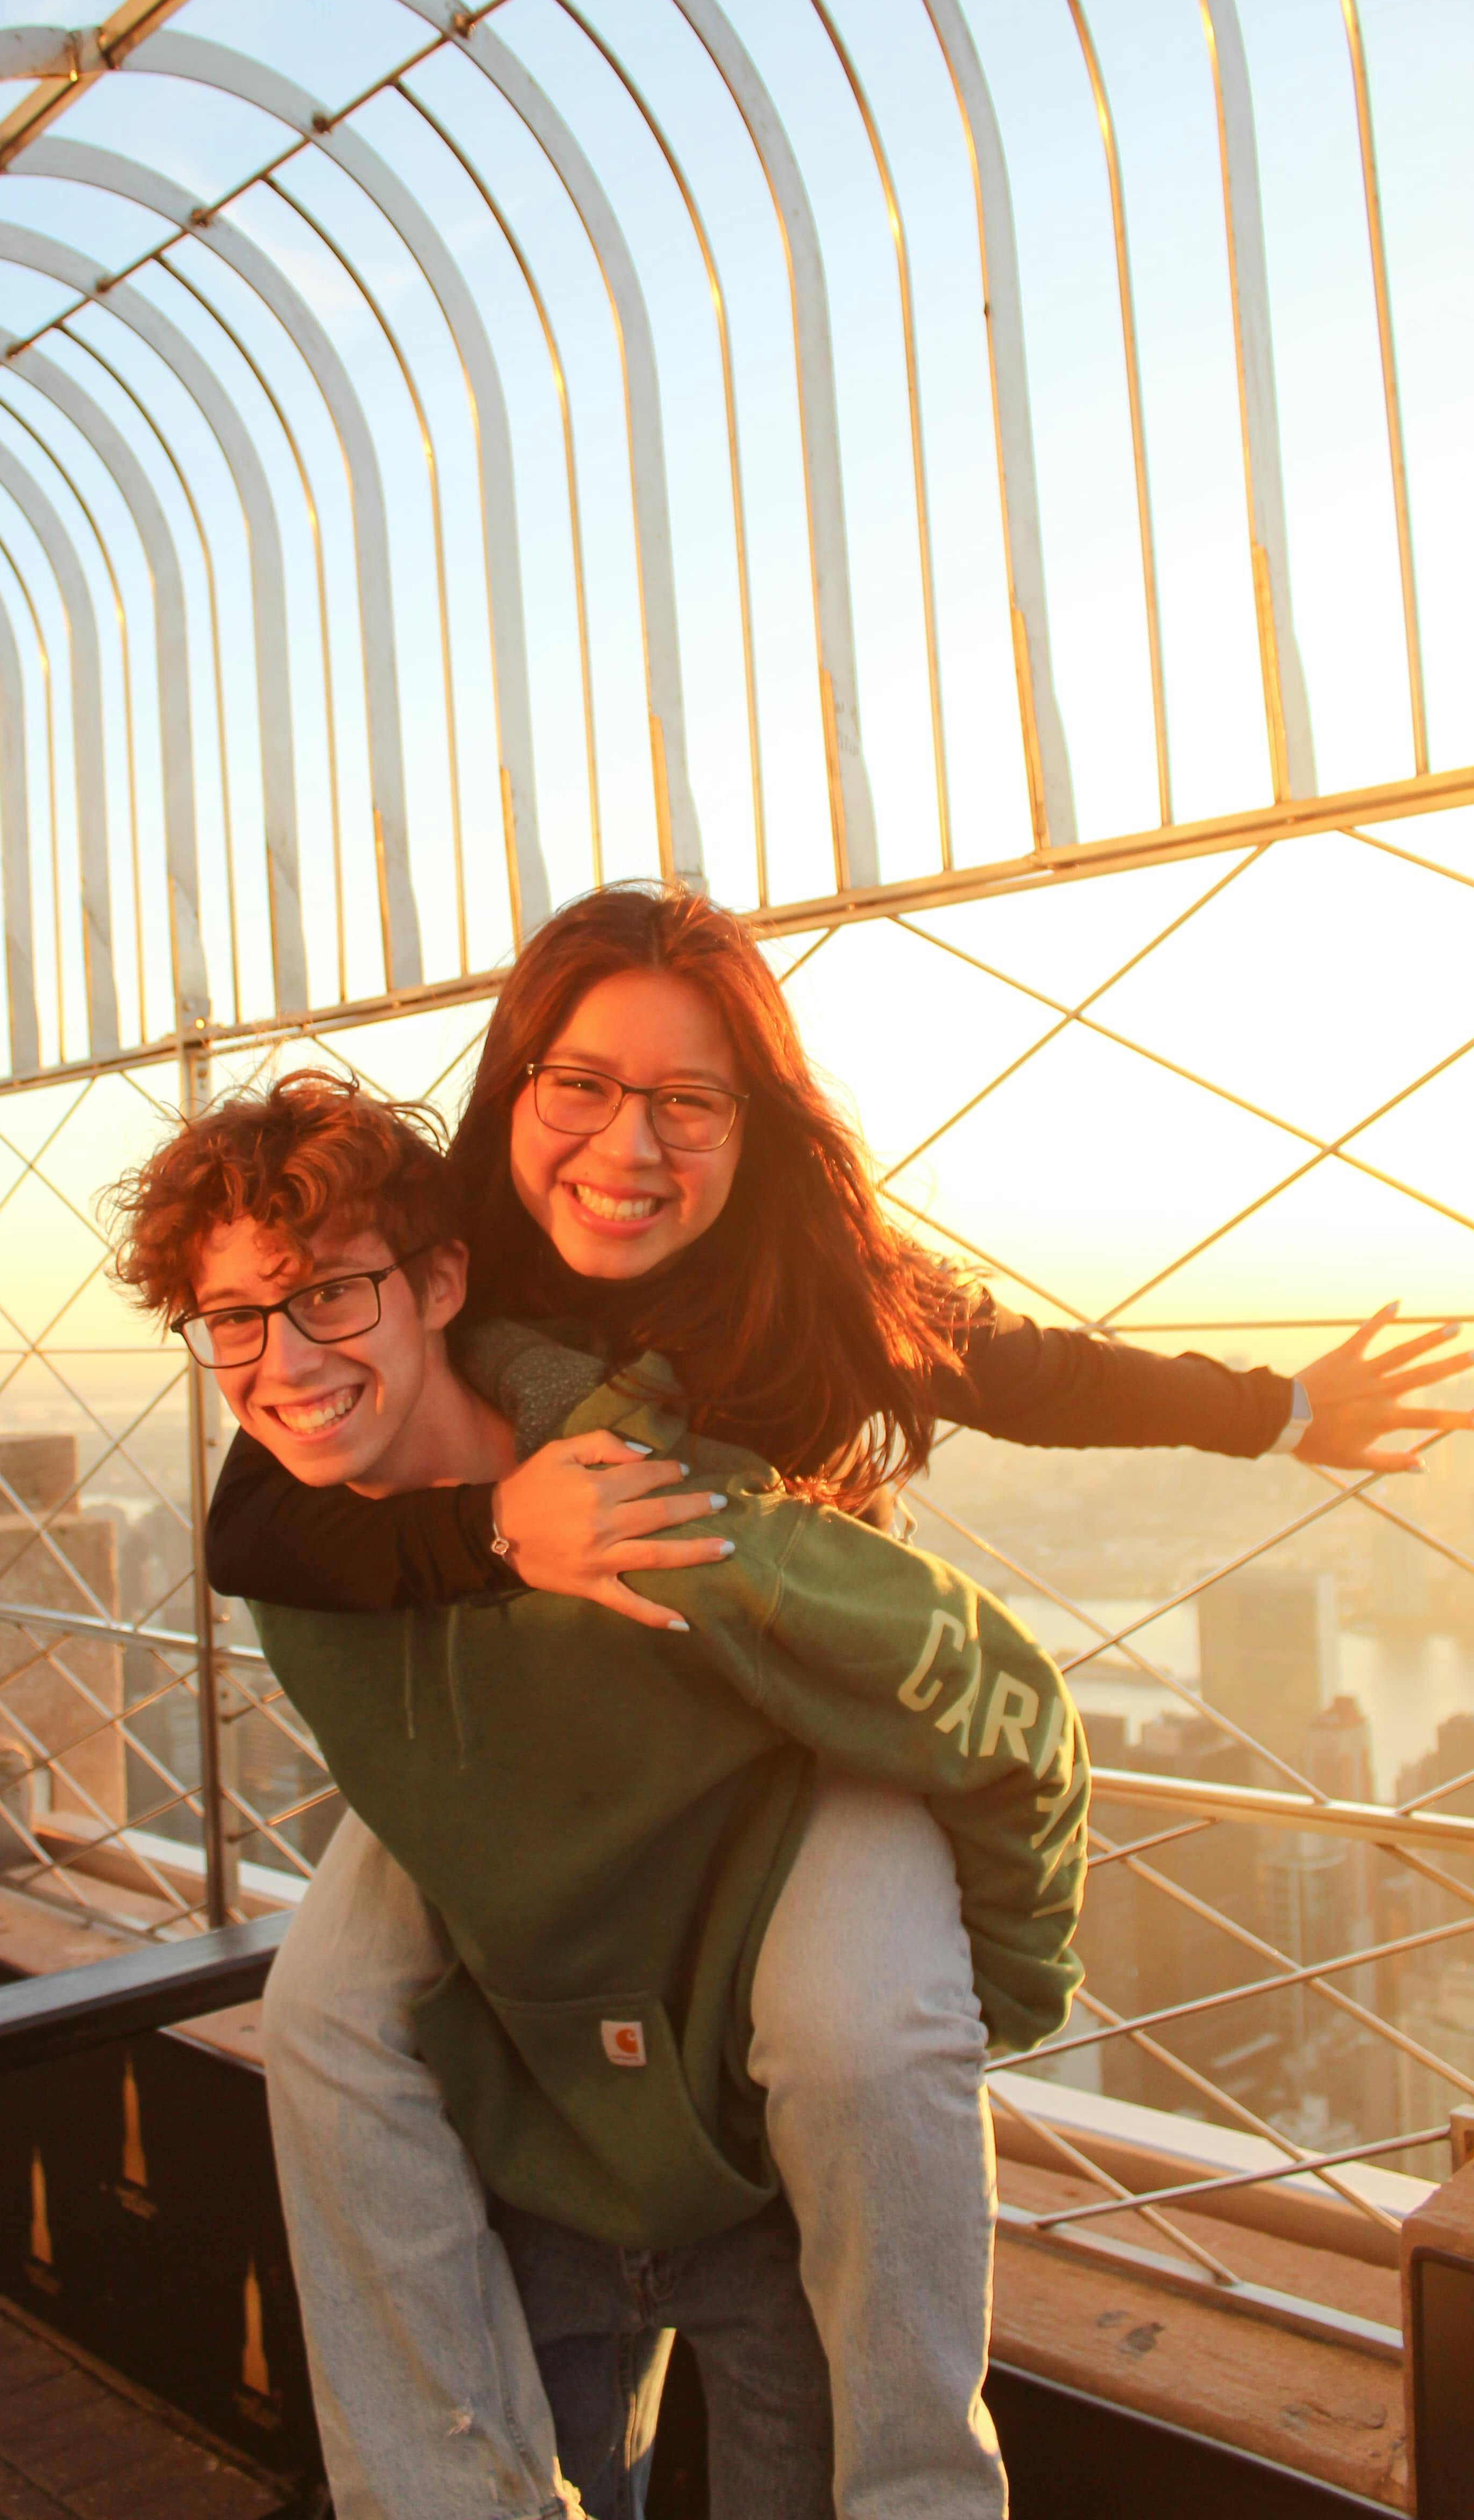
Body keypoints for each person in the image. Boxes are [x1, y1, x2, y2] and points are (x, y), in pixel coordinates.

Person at [145, 884, 1470, 2517]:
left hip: (786, 1715)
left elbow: (1023, 1371)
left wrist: (1272, 1409)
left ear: (748, 1118)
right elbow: (257, 1518)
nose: (626, 1148)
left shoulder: (804, 1267)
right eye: (583, 1086)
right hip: (547, 1738)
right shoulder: (435, 1255)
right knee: (328, 2015)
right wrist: (501, 1529)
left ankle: (918, 2493)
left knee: (862, 2032)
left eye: (687, 1099)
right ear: (518, 1087)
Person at [109, 1071, 1090, 2520]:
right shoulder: (292, 1543)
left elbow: (997, 1698)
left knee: (867, 2033)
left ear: (443, 1281)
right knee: (322, 2017)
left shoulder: (648, 1505)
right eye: (234, 1319)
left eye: (327, 1296)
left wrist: (1005, 1980)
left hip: (766, 1991)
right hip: (572, 2126)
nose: (283, 1362)